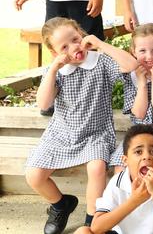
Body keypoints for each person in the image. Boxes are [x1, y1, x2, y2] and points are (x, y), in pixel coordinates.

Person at [25, 17, 138, 234]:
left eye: (76, 39)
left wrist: (100, 44)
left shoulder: (100, 62)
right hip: (61, 134)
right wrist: (53, 70)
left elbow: (131, 65)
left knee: (96, 168)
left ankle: (92, 221)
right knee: (33, 175)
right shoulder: (56, 71)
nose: (74, 47)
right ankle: (60, 205)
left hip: (96, 134)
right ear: (54, 52)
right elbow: (44, 103)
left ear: (82, 34)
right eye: (64, 47)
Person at [75, 124, 153, 234]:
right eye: (138, 152)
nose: (147, 156)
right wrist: (135, 200)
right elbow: (96, 227)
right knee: (83, 231)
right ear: (125, 160)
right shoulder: (117, 182)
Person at [109, 24, 153, 172]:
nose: (149, 56)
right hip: (138, 131)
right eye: (142, 51)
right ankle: (127, 195)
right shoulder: (131, 76)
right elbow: (139, 113)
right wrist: (142, 82)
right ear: (133, 52)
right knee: (120, 166)